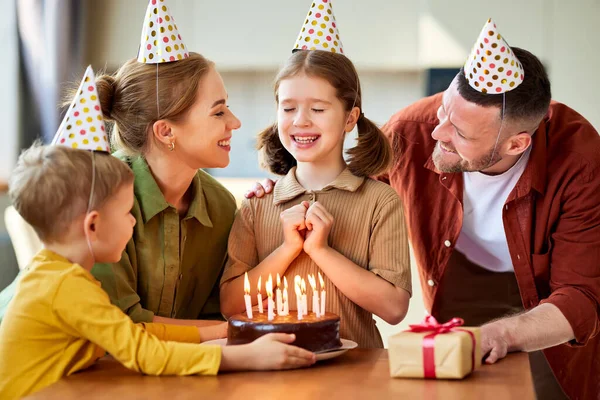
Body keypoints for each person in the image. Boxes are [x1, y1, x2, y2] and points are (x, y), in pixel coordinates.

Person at [250, 19, 600, 400]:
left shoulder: (580, 161)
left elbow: (581, 294)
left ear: (516, 145)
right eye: (443, 111)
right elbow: (340, 186)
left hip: (543, 315)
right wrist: (283, 189)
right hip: (453, 298)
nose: (438, 133)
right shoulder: (411, 130)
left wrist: (499, 333)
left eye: (461, 133)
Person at [0, 140, 314, 400]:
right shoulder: (66, 286)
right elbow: (145, 352)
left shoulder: (56, 275)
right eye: (126, 213)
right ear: (93, 225)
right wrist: (246, 357)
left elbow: (134, 332)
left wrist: (221, 331)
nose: (134, 221)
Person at [220, 1, 411, 348]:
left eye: (318, 109)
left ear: (350, 118)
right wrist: (289, 248)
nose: (301, 120)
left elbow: (394, 308)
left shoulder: (380, 202)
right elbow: (230, 306)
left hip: (356, 375)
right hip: (272, 375)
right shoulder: (257, 204)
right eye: (288, 107)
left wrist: (321, 250)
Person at [90, 1, 242, 331]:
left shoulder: (221, 207)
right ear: (165, 131)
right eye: (218, 112)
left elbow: (213, 315)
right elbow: (120, 328)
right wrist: (240, 334)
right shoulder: (99, 198)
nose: (235, 122)